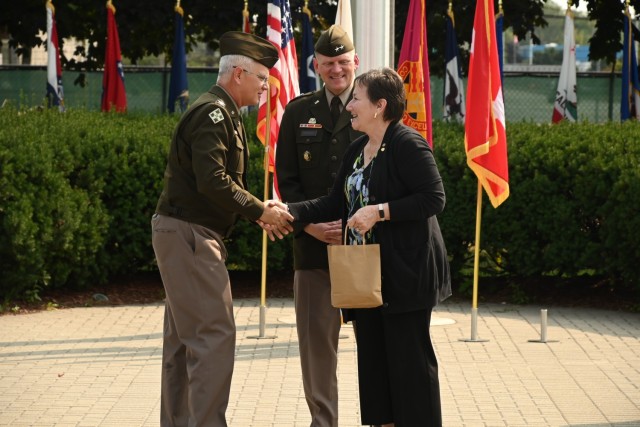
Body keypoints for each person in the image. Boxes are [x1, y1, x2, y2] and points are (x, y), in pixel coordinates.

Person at [286, 68, 451, 427]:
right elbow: (333, 203)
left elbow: (434, 198)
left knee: (410, 368)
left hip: (406, 276)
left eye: (357, 98)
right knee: (376, 366)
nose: (350, 107)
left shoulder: (408, 143)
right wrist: (289, 212)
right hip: (367, 278)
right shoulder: (358, 149)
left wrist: (380, 212)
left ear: (380, 105)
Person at [151, 31, 293, 427]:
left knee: (183, 343)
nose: (266, 86)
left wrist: (258, 211)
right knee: (213, 338)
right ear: (237, 74)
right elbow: (212, 180)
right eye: (261, 78)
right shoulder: (213, 113)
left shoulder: (221, 111)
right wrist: (260, 210)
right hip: (191, 236)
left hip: (186, 235)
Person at [275, 24, 361, 427]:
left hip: (366, 251)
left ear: (355, 63)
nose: (337, 70)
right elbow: (286, 183)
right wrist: (305, 227)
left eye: (343, 62)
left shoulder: (373, 107)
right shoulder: (297, 112)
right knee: (316, 350)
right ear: (316, 65)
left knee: (376, 346)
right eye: (329, 63)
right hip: (312, 253)